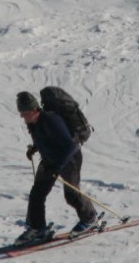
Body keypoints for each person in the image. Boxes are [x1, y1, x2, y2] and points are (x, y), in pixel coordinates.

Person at [15, 91, 97, 245]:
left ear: (34, 110)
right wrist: (34, 148)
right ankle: (38, 229)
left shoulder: (52, 120)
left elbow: (71, 146)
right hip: (49, 160)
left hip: (69, 159)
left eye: (24, 113)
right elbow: (44, 138)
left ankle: (90, 218)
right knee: (37, 194)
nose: (22, 116)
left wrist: (57, 167)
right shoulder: (33, 122)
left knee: (72, 193)